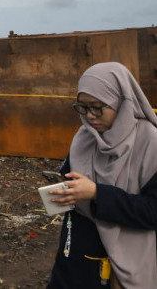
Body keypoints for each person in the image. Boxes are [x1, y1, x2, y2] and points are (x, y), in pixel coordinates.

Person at [47, 62, 157, 288]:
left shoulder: (151, 144)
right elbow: (71, 179)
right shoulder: (85, 138)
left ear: (121, 101)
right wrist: (63, 192)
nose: (90, 116)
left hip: (126, 262)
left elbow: (152, 211)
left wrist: (97, 193)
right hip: (77, 259)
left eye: (97, 107)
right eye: (83, 107)